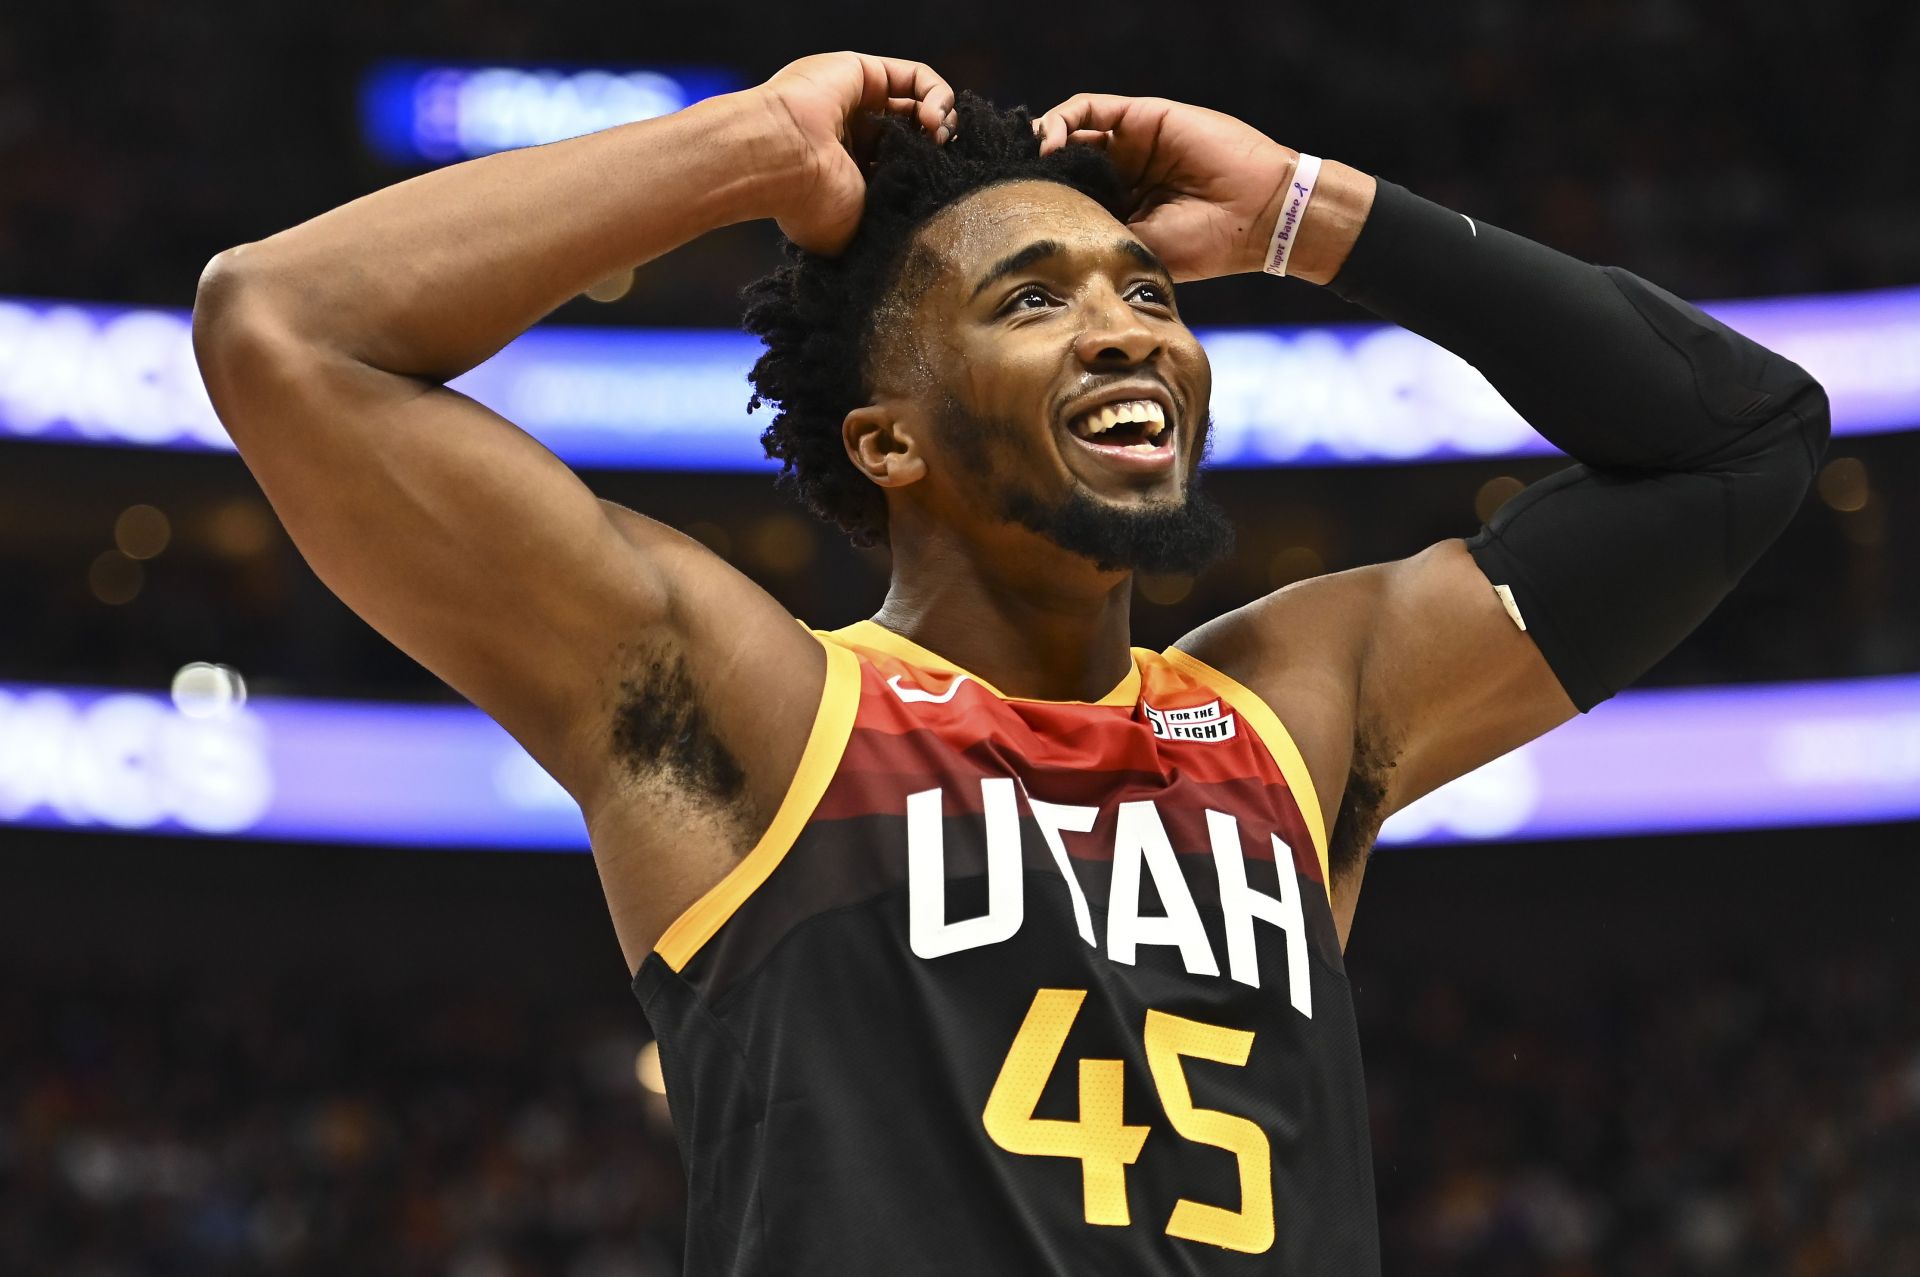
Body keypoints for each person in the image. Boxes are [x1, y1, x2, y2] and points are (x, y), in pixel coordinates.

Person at [191, 50, 1828, 1275]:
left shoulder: (1289, 709)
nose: (1131, 329)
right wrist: (750, 148)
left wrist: (1305, 214)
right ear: (887, 438)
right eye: (1031, 299)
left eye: (1148, 289)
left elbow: (1743, 443)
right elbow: (281, 325)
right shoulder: (767, 713)